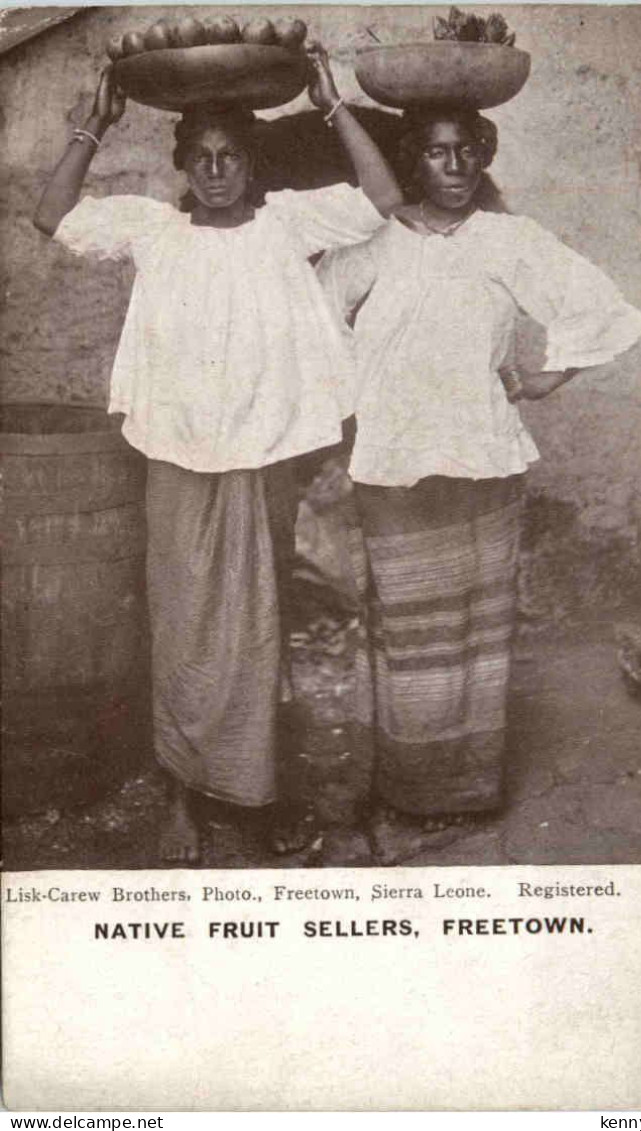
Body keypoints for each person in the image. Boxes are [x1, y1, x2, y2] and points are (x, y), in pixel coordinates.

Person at [33, 47, 403, 863]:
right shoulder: (154, 231)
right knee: (182, 626)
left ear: (250, 162)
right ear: (181, 165)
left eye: (229, 155)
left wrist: (333, 105)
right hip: (174, 456)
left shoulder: (284, 226)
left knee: (259, 625)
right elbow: (52, 216)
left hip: (261, 456)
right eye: (199, 157)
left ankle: (257, 792)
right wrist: (92, 127)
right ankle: (183, 795)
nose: (213, 171)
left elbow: (383, 198)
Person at [317, 104, 641, 842]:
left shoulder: (510, 239)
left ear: (483, 156)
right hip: (395, 466)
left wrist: (545, 377)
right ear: (413, 161)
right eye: (438, 152)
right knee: (404, 633)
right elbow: (311, 318)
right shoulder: (375, 240)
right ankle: (401, 783)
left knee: (474, 635)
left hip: (483, 460)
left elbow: (596, 306)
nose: (456, 165)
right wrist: (355, 399)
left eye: (468, 150)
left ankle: (464, 787)